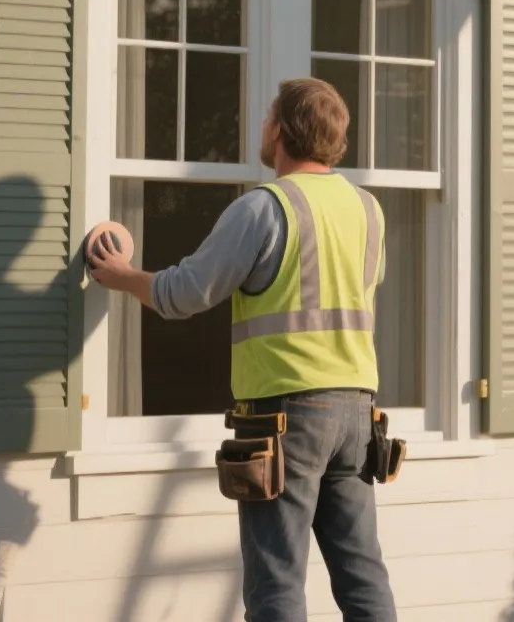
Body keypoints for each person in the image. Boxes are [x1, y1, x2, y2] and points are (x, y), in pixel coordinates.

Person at [83, 77, 398, 622]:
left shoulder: (264, 207)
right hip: (356, 415)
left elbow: (183, 294)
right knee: (362, 575)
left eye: (266, 117)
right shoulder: (368, 208)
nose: (262, 126)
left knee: (276, 583)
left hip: (287, 416)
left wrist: (123, 275)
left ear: (280, 130)